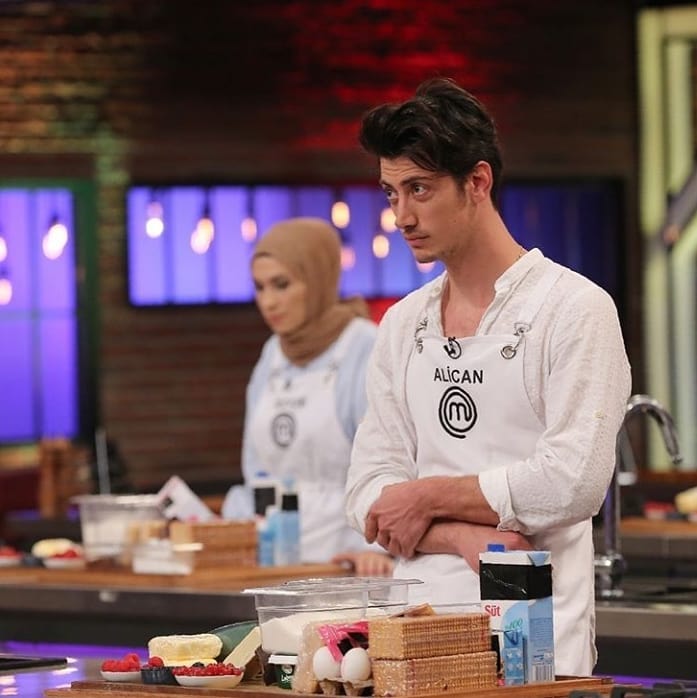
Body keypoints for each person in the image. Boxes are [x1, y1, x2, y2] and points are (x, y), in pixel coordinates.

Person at [345, 78, 631, 675]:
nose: (401, 216)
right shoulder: (402, 324)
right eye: (391, 193)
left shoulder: (574, 308)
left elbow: (572, 482)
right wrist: (460, 538)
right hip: (415, 636)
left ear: (477, 182)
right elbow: (368, 493)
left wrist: (426, 497)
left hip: (537, 638)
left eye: (419, 189)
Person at [236, 217, 393, 577]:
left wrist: (375, 548)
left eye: (282, 285)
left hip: (352, 561)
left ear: (318, 279)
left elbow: (389, 463)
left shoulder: (365, 346)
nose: (268, 302)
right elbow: (253, 467)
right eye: (259, 288)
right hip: (276, 560)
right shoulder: (272, 354)